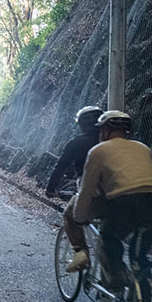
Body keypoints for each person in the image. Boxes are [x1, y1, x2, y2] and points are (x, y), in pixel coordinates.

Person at [70, 110, 152, 292]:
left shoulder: (98, 151)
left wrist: (78, 219)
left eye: (101, 130)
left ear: (105, 130)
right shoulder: (143, 148)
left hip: (126, 203)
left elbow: (86, 190)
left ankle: (117, 280)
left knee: (109, 238)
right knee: (138, 256)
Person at [47, 106, 102, 272]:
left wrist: (50, 188)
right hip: (120, 190)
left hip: (91, 190)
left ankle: (81, 254)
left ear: (81, 125)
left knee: (70, 216)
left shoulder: (76, 143)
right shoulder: (111, 142)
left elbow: (60, 167)